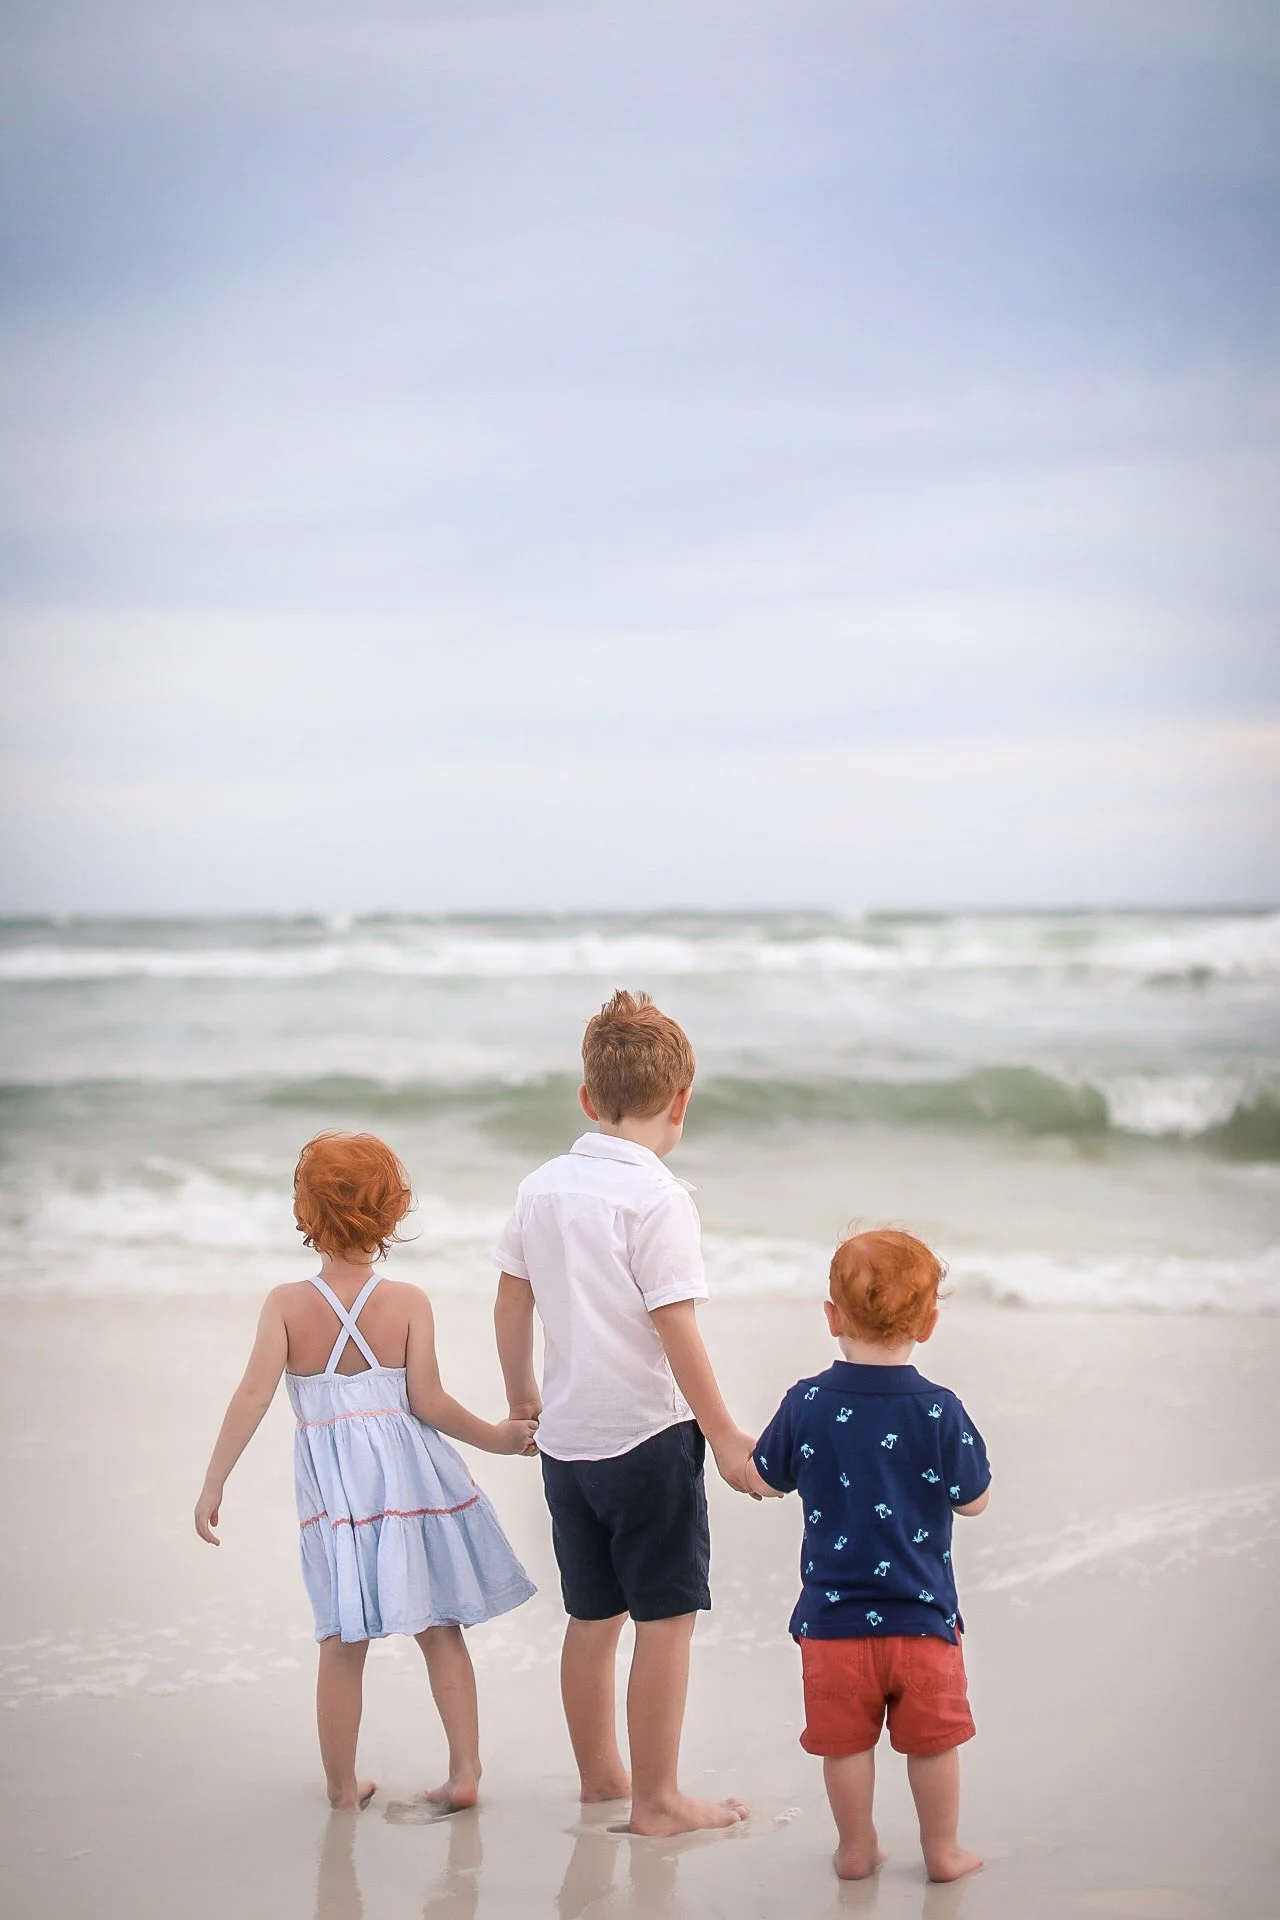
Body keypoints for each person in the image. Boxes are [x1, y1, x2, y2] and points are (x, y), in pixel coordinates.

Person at [194, 1131, 537, 1812]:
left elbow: (254, 1397)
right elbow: (428, 1403)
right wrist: (498, 1440)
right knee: (440, 1627)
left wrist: (214, 1482)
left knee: (342, 1637)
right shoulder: (407, 1301)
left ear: (304, 1212)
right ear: (392, 1213)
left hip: (342, 1499)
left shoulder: (287, 1305)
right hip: (413, 1485)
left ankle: (344, 1787)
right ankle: (465, 1771)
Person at [492, 989, 756, 1835]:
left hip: (568, 1444)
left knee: (591, 1617)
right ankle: (658, 1800)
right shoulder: (660, 1198)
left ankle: (603, 1777)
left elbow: (510, 1302)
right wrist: (725, 1437)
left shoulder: (539, 1189)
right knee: (666, 1621)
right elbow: (673, 1323)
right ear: (681, 1103)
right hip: (648, 1438)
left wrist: (521, 1398)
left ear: (586, 1099)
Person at [746, 1228, 990, 1882]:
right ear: (931, 1322)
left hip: (834, 1624)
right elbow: (974, 1500)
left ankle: (856, 1849)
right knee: (933, 1746)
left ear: (831, 1316)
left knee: (846, 1746)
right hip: (923, 1623)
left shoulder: (808, 1402)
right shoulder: (940, 1411)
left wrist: (732, 1446)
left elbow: (766, 1478)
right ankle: (942, 1852)